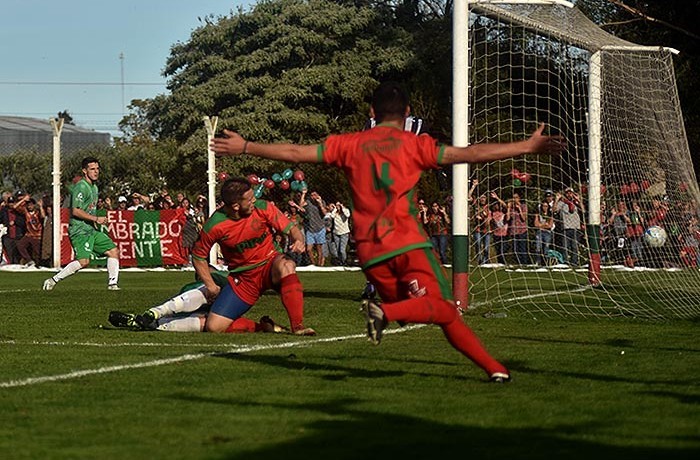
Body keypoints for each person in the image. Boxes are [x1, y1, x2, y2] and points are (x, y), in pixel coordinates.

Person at [210, 81, 564, 382]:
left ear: (371, 111)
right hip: (407, 244)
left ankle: (493, 369)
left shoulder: (348, 144)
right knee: (442, 310)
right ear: (408, 112)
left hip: (370, 253)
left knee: (429, 311)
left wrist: (246, 146)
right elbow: (470, 154)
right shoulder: (416, 144)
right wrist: (526, 146)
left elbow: (295, 152)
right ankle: (389, 314)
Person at [157, 177, 315, 335]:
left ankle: (298, 327)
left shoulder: (263, 207)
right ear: (236, 206)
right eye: (250, 199)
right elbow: (198, 256)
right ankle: (264, 327)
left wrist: (299, 240)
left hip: (270, 265)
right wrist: (210, 285)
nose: (254, 200)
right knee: (214, 327)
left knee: (287, 264)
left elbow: (292, 229)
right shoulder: (215, 225)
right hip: (244, 279)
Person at [108, 269, 290, 333]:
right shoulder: (218, 282)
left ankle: (151, 318)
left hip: (203, 302)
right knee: (210, 295)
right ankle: (154, 316)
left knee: (208, 322)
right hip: (212, 294)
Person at [43, 157, 120, 290]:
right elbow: (75, 211)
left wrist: (94, 223)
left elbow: (89, 208)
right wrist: (96, 219)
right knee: (84, 262)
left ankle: (112, 284)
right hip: (79, 231)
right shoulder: (81, 187)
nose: (96, 172)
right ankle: (53, 280)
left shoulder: (94, 187)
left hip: (91, 230)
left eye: (97, 169)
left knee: (113, 251)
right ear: (84, 171)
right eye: (92, 169)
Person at [554, 187, 583, 266]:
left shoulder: (576, 202)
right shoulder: (562, 203)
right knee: (565, 246)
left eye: (570, 193)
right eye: (567, 193)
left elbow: (583, 210)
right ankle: (566, 262)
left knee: (574, 246)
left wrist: (579, 200)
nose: (569, 194)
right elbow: (554, 210)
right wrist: (556, 199)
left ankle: (574, 262)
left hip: (575, 227)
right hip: (565, 227)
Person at [330, 200, 352, 266]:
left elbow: (348, 215)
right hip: (336, 233)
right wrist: (335, 209)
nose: (338, 206)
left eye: (339, 205)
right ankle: (340, 262)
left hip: (344, 233)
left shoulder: (346, 211)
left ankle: (344, 262)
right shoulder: (335, 212)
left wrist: (342, 207)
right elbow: (332, 216)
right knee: (337, 250)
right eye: (337, 205)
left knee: (342, 250)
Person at [534, 199, 554, 265]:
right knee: (538, 247)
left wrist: (541, 225)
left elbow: (550, 225)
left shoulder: (550, 215)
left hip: (547, 232)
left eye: (546, 206)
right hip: (539, 232)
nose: (544, 208)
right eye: (543, 206)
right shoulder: (538, 214)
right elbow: (536, 224)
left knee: (546, 247)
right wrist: (544, 225)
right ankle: (538, 261)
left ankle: (545, 262)